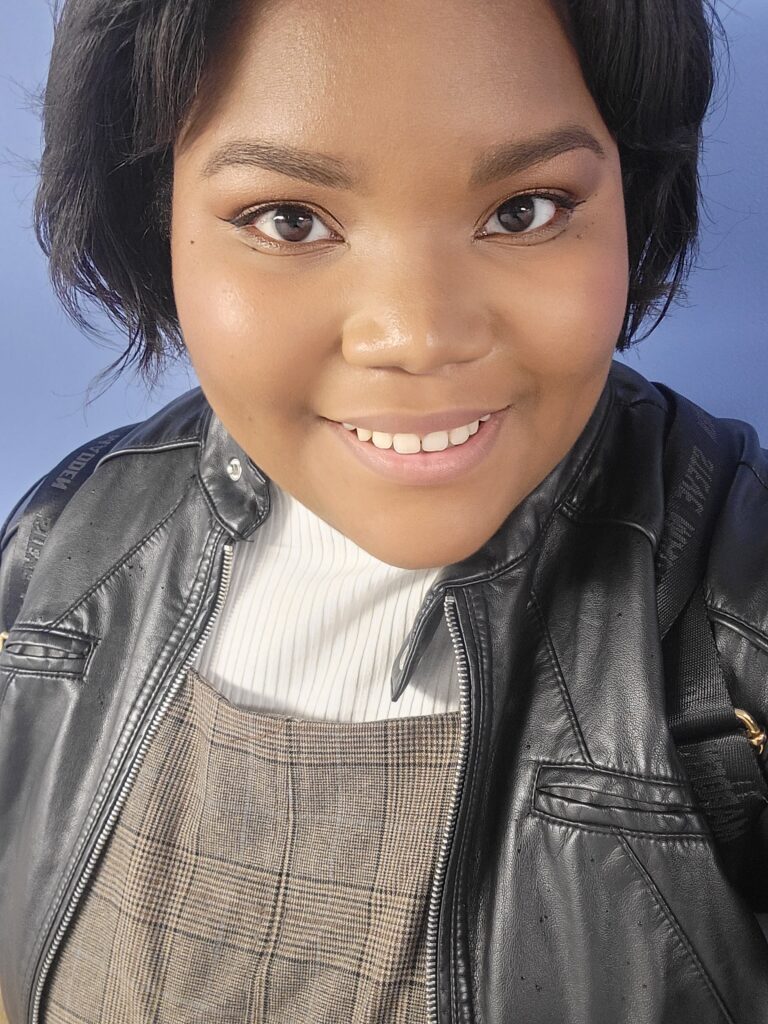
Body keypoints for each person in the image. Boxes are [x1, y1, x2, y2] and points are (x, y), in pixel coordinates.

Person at [1, 0, 768, 1021]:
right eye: (288, 219)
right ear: (159, 220)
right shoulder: (66, 538)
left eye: (526, 208)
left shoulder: (735, 609)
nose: (417, 333)